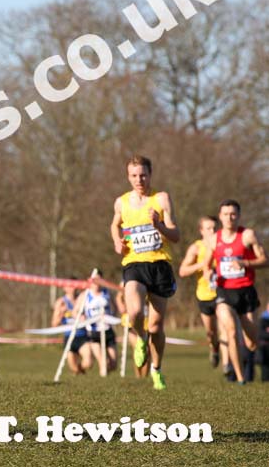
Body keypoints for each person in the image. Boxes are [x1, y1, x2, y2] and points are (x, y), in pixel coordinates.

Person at [110, 155, 179, 390]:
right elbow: (114, 224)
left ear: (150, 174)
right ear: (128, 176)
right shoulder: (122, 202)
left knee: (157, 327)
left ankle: (156, 369)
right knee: (136, 312)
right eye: (134, 175)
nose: (139, 179)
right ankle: (140, 338)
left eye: (143, 175)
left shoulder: (161, 199)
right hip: (134, 265)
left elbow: (176, 235)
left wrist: (159, 225)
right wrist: (117, 241)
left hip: (160, 265)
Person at [203, 199, 266, 384]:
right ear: (220, 216)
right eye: (225, 214)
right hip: (224, 292)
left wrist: (245, 263)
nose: (229, 218)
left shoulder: (248, 235)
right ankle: (239, 378)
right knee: (230, 331)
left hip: (246, 292)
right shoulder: (214, 239)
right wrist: (208, 274)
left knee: (251, 341)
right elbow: (207, 265)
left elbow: (265, 259)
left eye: (233, 214)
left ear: (238, 215)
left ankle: (248, 358)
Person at [178, 215, 229, 371]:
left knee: (225, 329)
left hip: (223, 293)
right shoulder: (196, 248)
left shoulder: (223, 244)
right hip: (204, 295)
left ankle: (227, 365)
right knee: (211, 332)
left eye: (214, 227)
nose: (212, 231)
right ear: (201, 231)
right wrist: (202, 264)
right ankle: (214, 349)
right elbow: (182, 271)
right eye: (208, 228)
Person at [78, 271, 118, 373]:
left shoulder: (107, 293)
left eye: (98, 280)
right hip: (93, 332)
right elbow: (75, 312)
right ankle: (104, 386)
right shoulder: (85, 295)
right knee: (103, 363)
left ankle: (107, 378)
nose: (96, 283)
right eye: (94, 280)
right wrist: (81, 317)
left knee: (113, 364)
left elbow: (115, 308)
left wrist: (113, 317)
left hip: (107, 330)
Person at [51, 280, 91, 375]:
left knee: (88, 363)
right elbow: (54, 324)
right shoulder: (61, 302)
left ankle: (80, 372)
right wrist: (61, 313)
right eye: (69, 286)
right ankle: (79, 376)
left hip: (82, 336)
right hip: (69, 337)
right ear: (64, 288)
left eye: (73, 285)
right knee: (74, 369)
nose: (71, 288)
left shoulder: (81, 299)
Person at [258, 304, 269, 382]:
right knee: (265, 367)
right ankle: (265, 380)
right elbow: (260, 333)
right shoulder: (262, 319)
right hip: (265, 347)